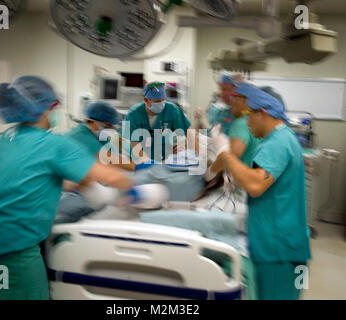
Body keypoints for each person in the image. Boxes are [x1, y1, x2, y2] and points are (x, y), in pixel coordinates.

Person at [0, 76, 134, 300]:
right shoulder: (54, 145)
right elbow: (112, 176)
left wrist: (78, 185)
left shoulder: (6, 138)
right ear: (42, 110)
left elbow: (32, 177)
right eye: (54, 106)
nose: (56, 111)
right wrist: (138, 190)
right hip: (8, 250)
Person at [211, 74, 311, 300]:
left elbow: (255, 185)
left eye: (249, 115)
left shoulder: (278, 142)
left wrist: (225, 153)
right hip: (288, 246)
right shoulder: (280, 139)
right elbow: (258, 178)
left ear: (263, 113)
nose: (246, 122)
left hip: (279, 252)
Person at [123, 81, 192, 161]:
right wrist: (148, 163)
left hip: (164, 159)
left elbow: (189, 133)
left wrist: (186, 150)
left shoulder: (172, 110)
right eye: (158, 101)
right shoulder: (134, 115)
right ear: (146, 100)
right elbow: (134, 146)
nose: (162, 104)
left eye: (163, 100)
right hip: (139, 160)